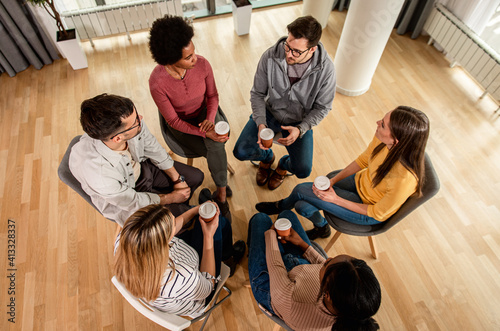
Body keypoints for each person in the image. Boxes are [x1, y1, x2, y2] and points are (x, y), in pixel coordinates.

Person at [256, 106, 430, 240]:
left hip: (367, 211)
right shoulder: (383, 140)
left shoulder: (405, 179)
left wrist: (336, 199)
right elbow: (363, 161)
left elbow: (377, 213)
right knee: (302, 206)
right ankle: (322, 227)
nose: (377, 122)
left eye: (383, 124)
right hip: (361, 182)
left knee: (302, 191)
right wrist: (333, 181)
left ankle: (282, 206)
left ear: (396, 140)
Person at [233, 15, 336, 190]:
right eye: (287, 46)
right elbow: (257, 93)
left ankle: (282, 167)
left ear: (312, 50)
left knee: (303, 170)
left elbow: (323, 107)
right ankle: (267, 159)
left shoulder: (326, 70)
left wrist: (301, 128)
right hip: (270, 113)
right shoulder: (270, 56)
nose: (288, 53)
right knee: (240, 152)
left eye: (296, 51)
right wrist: (260, 124)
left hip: (298, 122)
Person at [69, 93, 204, 227]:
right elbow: (133, 201)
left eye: (137, 115)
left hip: (142, 167)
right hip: (128, 197)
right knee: (172, 222)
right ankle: (184, 218)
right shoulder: (99, 174)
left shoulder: (129, 124)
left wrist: (177, 179)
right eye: (136, 122)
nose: (141, 118)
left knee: (196, 177)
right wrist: (172, 197)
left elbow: (153, 147)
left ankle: (182, 209)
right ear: (118, 138)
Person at [149, 15, 232, 221]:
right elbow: (174, 122)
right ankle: (222, 192)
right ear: (170, 60)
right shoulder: (157, 82)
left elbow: (212, 96)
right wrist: (202, 132)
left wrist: (210, 120)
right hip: (182, 125)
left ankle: (221, 194)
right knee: (215, 146)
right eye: (188, 57)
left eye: (194, 52)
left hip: (207, 113)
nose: (195, 58)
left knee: (215, 145)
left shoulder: (203, 64)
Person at [247, 211, 381, 331]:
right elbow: (327, 269)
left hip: (272, 287)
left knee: (260, 219)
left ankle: (251, 251)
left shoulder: (296, 304)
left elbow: (275, 266)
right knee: (287, 215)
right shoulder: (347, 301)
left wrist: (270, 234)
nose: (327, 259)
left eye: (327, 264)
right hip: (302, 271)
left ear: (326, 294)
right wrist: (301, 244)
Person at [114, 204, 245, 317]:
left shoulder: (125, 241)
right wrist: (208, 235)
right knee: (222, 223)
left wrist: (195, 210)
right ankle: (228, 259)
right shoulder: (181, 276)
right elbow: (208, 286)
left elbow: (166, 230)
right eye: (172, 226)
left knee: (208, 218)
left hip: (180, 267)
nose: (175, 223)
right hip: (199, 288)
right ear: (162, 242)